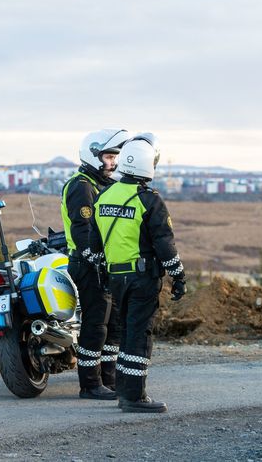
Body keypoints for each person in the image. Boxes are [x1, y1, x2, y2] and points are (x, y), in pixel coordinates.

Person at [90, 133, 187, 413]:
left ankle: (123, 389)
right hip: (141, 278)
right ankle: (133, 397)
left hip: (115, 278)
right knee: (138, 334)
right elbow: (164, 245)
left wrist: (103, 274)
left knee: (125, 333)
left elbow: (95, 245)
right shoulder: (148, 200)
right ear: (148, 164)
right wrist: (178, 276)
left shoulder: (104, 195)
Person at [61, 128, 130, 400]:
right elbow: (83, 230)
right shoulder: (81, 186)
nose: (113, 162)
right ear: (93, 155)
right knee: (95, 324)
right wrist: (98, 261)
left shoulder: (103, 185)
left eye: (115, 157)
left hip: (104, 266)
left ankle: (109, 380)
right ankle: (89, 384)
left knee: (114, 325)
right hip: (87, 265)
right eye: (109, 156)